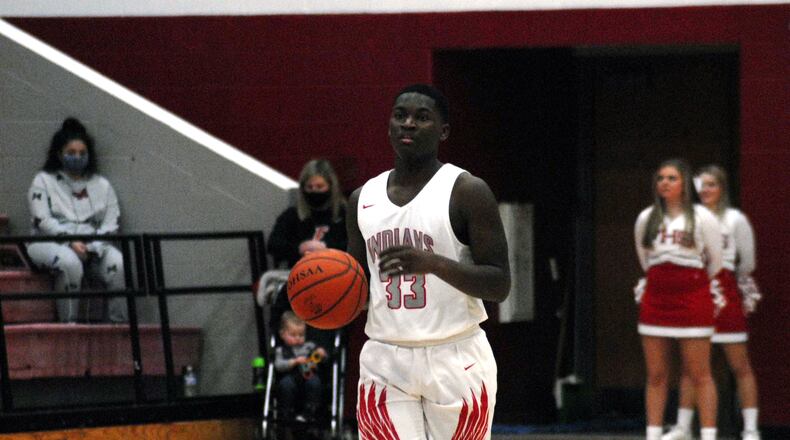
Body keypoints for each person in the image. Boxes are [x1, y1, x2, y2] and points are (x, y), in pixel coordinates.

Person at [346, 84, 510, 439]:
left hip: (456, 357)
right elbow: (354, 289)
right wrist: (324, 300)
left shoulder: (467, 191)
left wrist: (433, 264)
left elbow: (499, 284)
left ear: (443, 131)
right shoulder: (361, 199)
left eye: (422, 118)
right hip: (385, 357)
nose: (408, 124)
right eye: (400, 116)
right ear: (389, 125)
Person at [662, 165, 762, 440]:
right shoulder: (687, 218)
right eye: (702, 185)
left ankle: (751, 429)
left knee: (739, 365)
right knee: (690, 366)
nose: (706, 190)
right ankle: (683, 427)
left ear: (722, 188)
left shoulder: (735, 219)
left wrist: (730, 281)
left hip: (725, 290)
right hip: (695, 289)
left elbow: (748, 261)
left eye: (711, 185)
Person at [634, 158, 724, 440]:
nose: (664, 183)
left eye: (671, 178)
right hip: (657, 301)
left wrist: (690, 283)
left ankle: (708, 435)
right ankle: (653, 433)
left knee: (700, 373)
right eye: (660, 178)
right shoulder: (647, 217)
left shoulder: (702, 217)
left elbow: (716, 261)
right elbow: (645, 259)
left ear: (685, 183)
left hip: (693, 300)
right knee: (657, 375)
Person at [26, 117, 128, 323]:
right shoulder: (43, 180)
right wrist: (71, 242)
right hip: (49, 242)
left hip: (92, 245)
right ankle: (69, 325)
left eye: (82, 153)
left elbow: (110, 224)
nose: (77, 157)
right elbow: (42, 220)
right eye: (71, 153)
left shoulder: (102, 185)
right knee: (69, 263)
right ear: (59, 154)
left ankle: (120, 326)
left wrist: (91, 247)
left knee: (118, 263)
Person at [267, 159, 347, 336]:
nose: (315, 192)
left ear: (331, 187)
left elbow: (355, 246)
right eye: (310, 188)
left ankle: (324, 348)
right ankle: (283, 345)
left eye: (320, 187)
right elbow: (273, 244)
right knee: (285, 297)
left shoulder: (344, 214)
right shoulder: (292, 215)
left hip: (333, 277)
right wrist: (298, 248)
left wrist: (328, 250)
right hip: (298, 277)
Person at [274, 311, 327, 431]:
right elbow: (278, 365)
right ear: (282, 334)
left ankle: (311, 410)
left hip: (308, 374)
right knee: (285, 385)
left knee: (315, 382)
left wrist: (321, 354)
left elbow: (321, 357)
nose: (298, 338)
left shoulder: (309, 346)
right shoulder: (281, 350)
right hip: (291, 376)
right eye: (293, 335)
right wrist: (294, 362)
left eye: (301, 335)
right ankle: (287, 412)